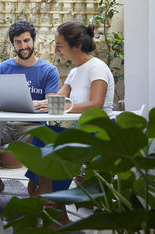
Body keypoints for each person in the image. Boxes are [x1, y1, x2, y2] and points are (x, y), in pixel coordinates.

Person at [30, 21, 115, 225]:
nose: (55, 49)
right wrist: (38, 103)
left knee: (59, 142)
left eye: (59, 45)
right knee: (44, 134)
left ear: (76, 45)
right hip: (80, 130)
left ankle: (51, 199)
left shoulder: (97, 68)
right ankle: (47, 195)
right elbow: (59, 100)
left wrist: (58, 106)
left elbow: (96, 104)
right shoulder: (76, 71)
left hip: (98, 132)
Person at [0, 20, 60, 209]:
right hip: (5, 124)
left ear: (34, 41)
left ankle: (41, 189)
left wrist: (37, 103)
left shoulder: (49, 70)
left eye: (26, 41)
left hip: (33, 126)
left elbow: (52, 103)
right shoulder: (3, 69)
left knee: (45, 139)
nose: (23, 46)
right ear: (13, 44)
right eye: (18, 42)